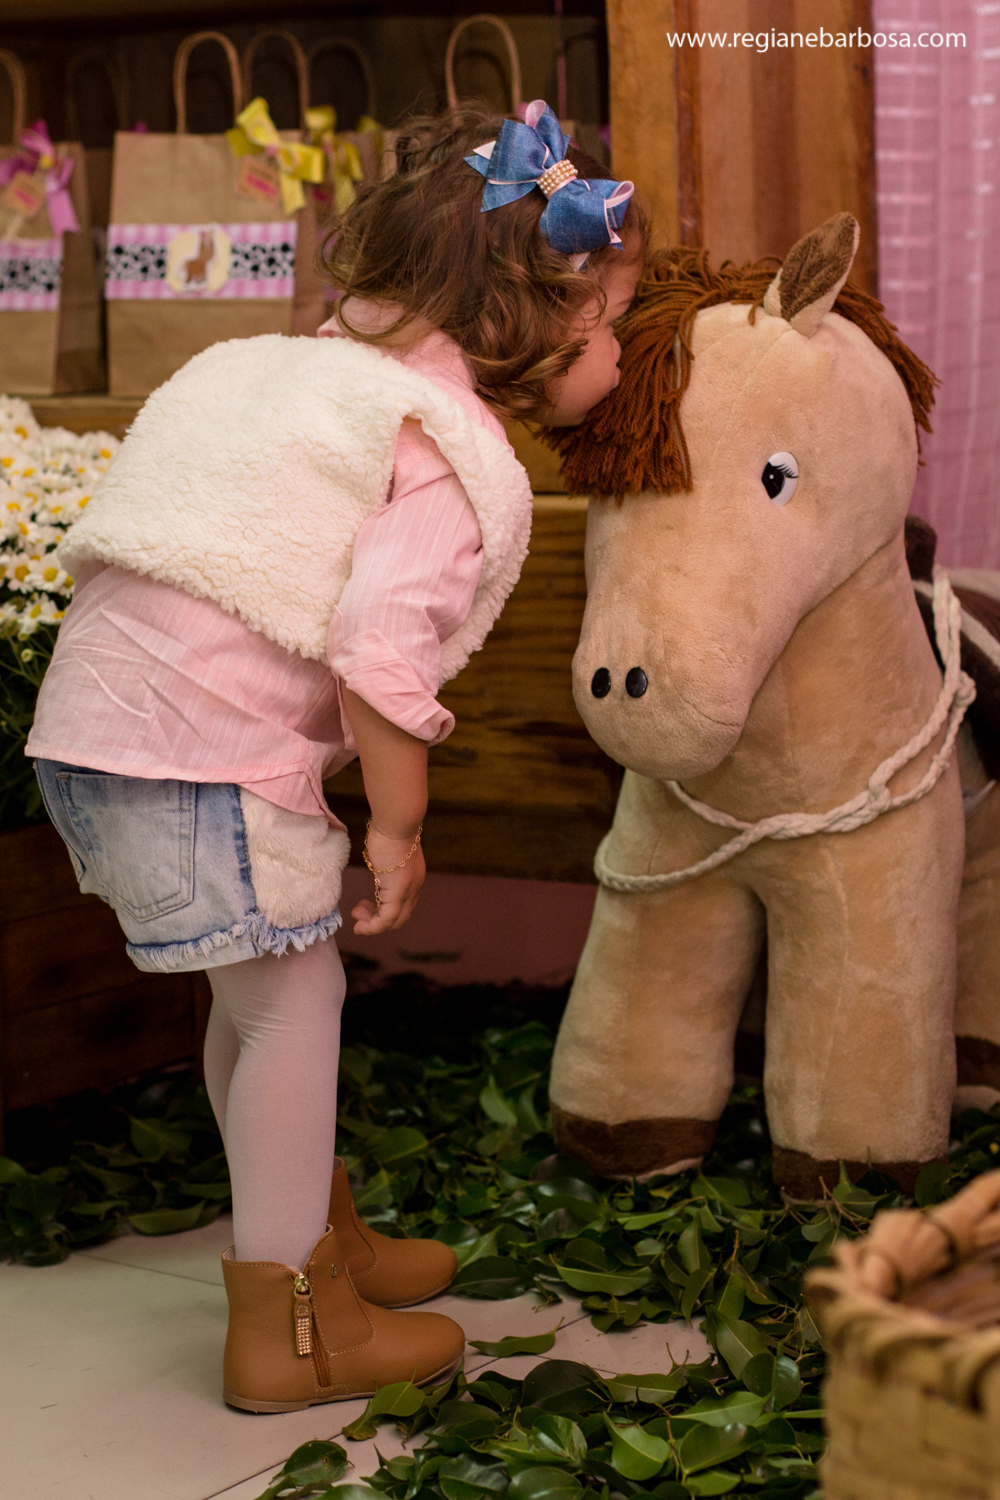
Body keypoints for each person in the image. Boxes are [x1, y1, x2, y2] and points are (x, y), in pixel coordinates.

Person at [27, 101, 647, 1413]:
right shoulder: (435, 452)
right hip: (200, 756)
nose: (615, 360)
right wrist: (398, 828)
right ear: (524, 323)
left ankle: (319, 1241)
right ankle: (293, 1329)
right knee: (295, 1007)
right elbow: (378, 656)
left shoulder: (285, 370)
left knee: (249, 1005)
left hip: (91, 735)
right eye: (606, 333)